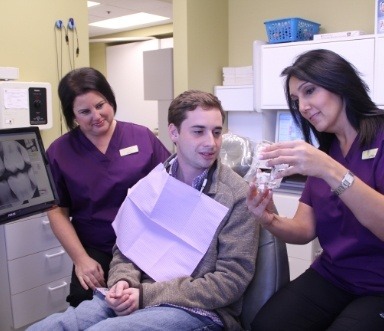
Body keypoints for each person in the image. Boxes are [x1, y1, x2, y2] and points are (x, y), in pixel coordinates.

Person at [27, 89, 259, 331]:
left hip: (196, 310)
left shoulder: (236, 196)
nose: (211, 143)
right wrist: (122, 284)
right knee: (54, 326)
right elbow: (127, 249)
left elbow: (229, 282)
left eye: (217, 132)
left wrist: (144, 295)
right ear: (173, 133)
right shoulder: (155, 181)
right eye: (198, 131)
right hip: (136, 294)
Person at [247, 49, 384, 331]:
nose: (304, 106)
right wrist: (269, 219)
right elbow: (304, 229)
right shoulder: (325, 153)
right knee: (266, 325)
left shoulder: (371, 140)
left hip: (379, 284)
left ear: (339, 82)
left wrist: (329, 170)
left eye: (310, 91)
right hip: (334, 275)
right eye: (297, 100)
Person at [46, 67, 170, 307]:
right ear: (72, 116)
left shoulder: (141, 137)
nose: (96, 115)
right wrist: (80, 259)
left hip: (147, 243)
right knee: (84, 304)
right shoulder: (60, 152)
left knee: (146, 306)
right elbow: (56, 210)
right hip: (95, 248)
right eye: (85, 111)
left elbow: (171, 185)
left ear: (110, 99)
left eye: (100, 105)